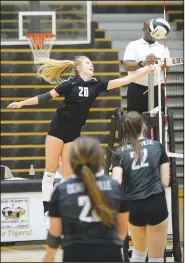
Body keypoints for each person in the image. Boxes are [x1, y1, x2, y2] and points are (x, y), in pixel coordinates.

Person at [7, 56, 154, 221]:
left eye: (92, 62)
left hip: (74, 132)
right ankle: (47, 209)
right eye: (87, 63)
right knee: (50, 170)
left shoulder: (96, 84)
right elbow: (45, 97)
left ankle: (66, 207)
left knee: (69, 174)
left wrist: (145, 71)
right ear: (79, 68)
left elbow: (122, 81)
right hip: (58, 128)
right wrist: (22, 103)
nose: (91, 65)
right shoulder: (69, 83)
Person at [42, 136, 129, 262]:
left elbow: (54, 235)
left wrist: (48, 257)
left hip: (74, 255)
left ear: (72, 160)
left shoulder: (61, 190)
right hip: (110, 254)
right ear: (100, 159)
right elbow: (122, 231)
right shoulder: (115, 187)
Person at [111, 111, 170, 262]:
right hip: (155, 203)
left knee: (139, 252)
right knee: (156, 258)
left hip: (133, 206)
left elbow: (116, 183)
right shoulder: (157, 146)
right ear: (143, 126)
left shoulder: (119, 153)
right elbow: (165, 181)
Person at [123, 19, 170, 114]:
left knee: (157, 121)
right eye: (150, 29)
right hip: (136, 88)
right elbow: (127, 66)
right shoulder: (133, 45)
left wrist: (158, 61)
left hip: (156, 89)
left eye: (155, 28)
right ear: (143, 29)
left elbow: (167, 67)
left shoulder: (163, 48)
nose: (153, 31)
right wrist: (142, 63)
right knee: (135, 120)